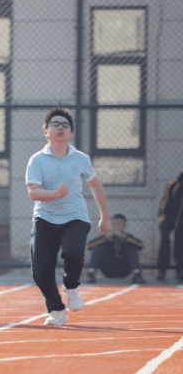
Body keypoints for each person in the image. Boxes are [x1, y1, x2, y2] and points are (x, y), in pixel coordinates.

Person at [26, 107, 110, 326]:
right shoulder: (37, 160)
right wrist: (54, 195)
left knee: (73, 253)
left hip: (75, 217)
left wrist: (105, 217)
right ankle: (56, 309)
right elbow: (33, 192)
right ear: (46, 131)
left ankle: (71, 287)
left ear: (71, 133)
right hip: (45, 218)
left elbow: (95, 185)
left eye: (65, 125)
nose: (60, 127)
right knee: (40, 272)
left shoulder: (81, 159)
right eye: (55, 124)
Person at [85, 214, 144, 284]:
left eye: (119, 224)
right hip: (108, 269)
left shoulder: (128, 236)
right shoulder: (106, 236)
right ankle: (91, 273)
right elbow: (89, 246)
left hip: (124, 270)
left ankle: (137, 274)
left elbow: (140, 245)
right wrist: (105, 238)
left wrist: (125, 238)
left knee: (131, 245)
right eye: (114, 224)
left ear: (124, 225)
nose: (117, 226)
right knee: (99, 246)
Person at [155, 171, 183, 283]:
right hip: (168, 217)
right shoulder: (173, 184)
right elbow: (164, 201)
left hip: (181, 220)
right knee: (165, 242)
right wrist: (162, 216)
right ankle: (162, 271)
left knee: (180, 243)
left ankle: (180, 270)